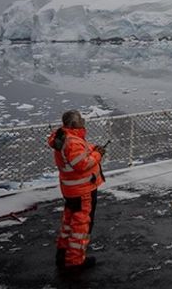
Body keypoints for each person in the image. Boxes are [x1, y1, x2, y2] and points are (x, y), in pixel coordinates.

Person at [47, 110, 106, 271]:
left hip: (71, 189)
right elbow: (81, 164)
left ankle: (63, 253)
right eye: (80, 119)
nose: (83, 120)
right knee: (81, 225)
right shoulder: (72, 141)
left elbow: (82, 150)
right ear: (73, 124)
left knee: (69, 222)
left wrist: (93, 148)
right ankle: (74, 261)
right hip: (82, 191)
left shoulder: (65, 137)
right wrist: (98, 155)